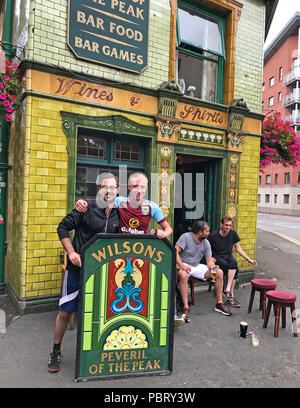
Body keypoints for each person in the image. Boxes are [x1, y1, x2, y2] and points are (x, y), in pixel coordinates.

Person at [48, 173, 120, 373]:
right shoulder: (85, 208)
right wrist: (71, 252)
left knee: (100, 313)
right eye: (105, 187)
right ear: (99, 190)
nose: (108, 191)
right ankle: (56, 350)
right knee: (65, 312)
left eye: (112, 187)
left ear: (118, 191)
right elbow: (62, 228)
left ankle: (97, 353)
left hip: (103, 272)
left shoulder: (121, 214)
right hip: (77, 270)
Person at [76, 172, 173, 239]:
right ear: (129, 187)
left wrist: (163, 233)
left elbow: (168, 229)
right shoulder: (119, 202)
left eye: (142, 187)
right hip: (120, 248)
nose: (139, 190)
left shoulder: (152, 207)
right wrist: (82, 202)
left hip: (141, 249)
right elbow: (100, 201)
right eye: (135, 186)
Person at [176, 220, 231, 317]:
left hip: (196, 266)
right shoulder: (186, 237)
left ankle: (219, 304)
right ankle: (185, 306)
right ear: (200, 232)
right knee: (183, 275)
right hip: (184, 264)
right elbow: (174, 252)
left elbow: (209, 259)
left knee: (219, 272)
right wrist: (182, 265)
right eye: (207, 231)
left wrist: (212, 266)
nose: (209, 233)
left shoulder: (206, 242)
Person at [207, 216, 257, 308]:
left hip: (228, 256)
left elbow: (238, 248)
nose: (228, 227)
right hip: (217, 257)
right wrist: (210, 259)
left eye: (230, 225)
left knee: (233, 262)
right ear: (221, 224)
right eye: (226, 225)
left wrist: (248, 259)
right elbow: (207, 249)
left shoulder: (233, 234)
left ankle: (227, 289)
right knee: (235, 269)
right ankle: (230, 294)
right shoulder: (213, 235)